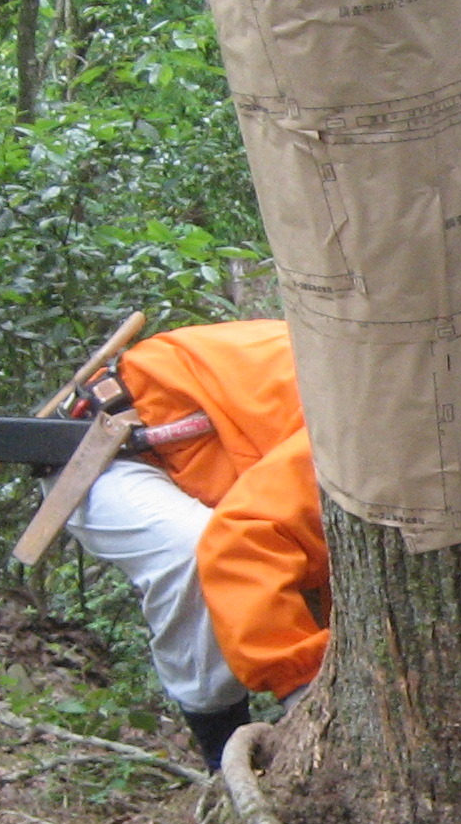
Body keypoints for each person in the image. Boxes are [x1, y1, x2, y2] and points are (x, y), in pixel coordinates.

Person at [52, 320, 328, 767]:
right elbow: (242, 543)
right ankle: (222, 757)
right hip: (104, 451)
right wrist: (305, 688)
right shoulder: (361, 420)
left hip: (189, 456)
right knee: (193, 552)